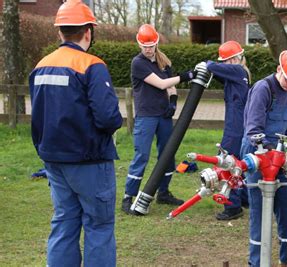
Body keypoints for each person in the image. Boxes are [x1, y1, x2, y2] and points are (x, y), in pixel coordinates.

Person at [29, 0, 123, 265]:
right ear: (88, 32)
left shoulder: (40, 66)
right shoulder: (92, 65)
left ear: (59, 32)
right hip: (90, 161)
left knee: (64, 223)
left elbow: (36, 117)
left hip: (54, 159)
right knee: (99, 226)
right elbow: (108, 118)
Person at [241, 47, 287, 267]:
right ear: (278, 68)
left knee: (286, 207)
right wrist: (272, 152)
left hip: (279, 157)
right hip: (257, 155)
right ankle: (256, 262)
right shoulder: (263, 89)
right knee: (260, 214)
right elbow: (253, 131)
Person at [121, 24, 196, 214]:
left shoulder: (164, 61)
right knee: (142, 156)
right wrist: (185, 76)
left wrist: (173, 101)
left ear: (156, 43)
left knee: (167, 154)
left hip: (163, 116)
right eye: (144, 45)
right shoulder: (137, 63)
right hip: (146, 116)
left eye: (151, 45)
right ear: (139, 44)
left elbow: (170, 87)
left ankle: (163, 192)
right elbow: (162, 83)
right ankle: (128, 197)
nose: (148, 49)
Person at [206, 40, 250, 221]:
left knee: (227, 163)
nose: (223, 64)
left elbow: (210, 66)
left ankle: (232, 206)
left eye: (225, 61)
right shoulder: (238, 74)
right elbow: (218, 74)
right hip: (238, 126)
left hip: (235, 128)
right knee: (239, 165)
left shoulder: (238, 70)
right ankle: (246, 199)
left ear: (233, 59)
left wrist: (204, 65)